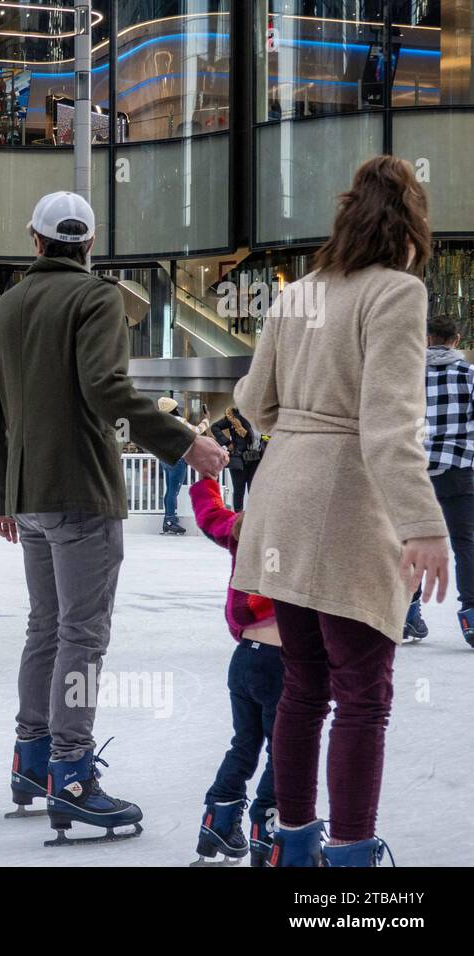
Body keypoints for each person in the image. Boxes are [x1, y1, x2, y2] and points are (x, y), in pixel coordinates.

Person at [0, 190, 227, 838]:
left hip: (30, 500)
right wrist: (184, 441)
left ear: (34, 240)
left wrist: (4, 495)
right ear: (90, 243)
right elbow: (105, 388)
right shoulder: (96, 297)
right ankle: (73, 774)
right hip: (81, 493)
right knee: (82, 635)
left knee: (46, 629)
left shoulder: (6, 308)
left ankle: (32, 760)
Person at [232, 156, 449, 867]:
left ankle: (294, 846)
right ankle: (352, 859)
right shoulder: (398, 292)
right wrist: (425, 526)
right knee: (362, 694)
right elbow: (389, 427)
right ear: (411, 224)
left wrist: (304, 418)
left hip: (281, 500)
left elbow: (251, 402)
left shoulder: (299, 295)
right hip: (346, 505)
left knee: (305, 683)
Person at [189, 476, 281, 867]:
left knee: (245, 745)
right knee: (285, 753)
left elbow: (211, 516)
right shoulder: (301, 537)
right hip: (284, 664)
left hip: (245, 658)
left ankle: (219, 820)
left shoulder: (242, 528)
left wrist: (207, 478)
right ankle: (269, 829)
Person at [402, 314, 474, 646]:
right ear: (455, 340)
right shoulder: (469, 375)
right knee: (465, 543)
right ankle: (471, 615)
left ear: (426, 339)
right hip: (459, 470)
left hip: (414, 472)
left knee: (410, 543)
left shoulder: (408, 378)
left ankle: (407, 614)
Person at [157, 396, 208, 534]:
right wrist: (206, 419)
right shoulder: (178, 420)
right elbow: (196, 431)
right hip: (178, 459)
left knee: (169, 490)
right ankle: (171, 521)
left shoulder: (160, 421)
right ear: (173, 408)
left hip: (165, 459)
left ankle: (167, 520)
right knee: (174, 491)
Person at [211, 406, 260, 511]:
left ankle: (253, 519)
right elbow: (215, 427)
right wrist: (227, 443)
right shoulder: (234, 416)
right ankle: (238, 519)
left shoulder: (260, 415)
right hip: (238, 458)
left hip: (256, 459)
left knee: (254, 491)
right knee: (239, 490)